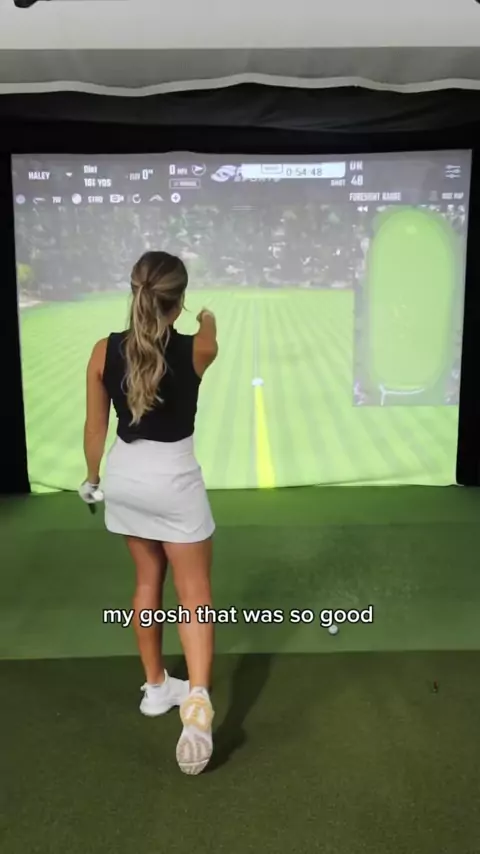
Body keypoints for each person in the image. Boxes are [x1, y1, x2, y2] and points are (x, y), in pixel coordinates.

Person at [79, 251, 218, 776]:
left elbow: (96, 428)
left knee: (145, 581)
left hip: (125, 479)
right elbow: (208, 331)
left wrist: (92, 479)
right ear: (177, 301)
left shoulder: (102, 350)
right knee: (194, 594)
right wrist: (206, 315)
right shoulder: (199, 347)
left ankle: (157, 688)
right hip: (174, 481)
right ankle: (196, 706)